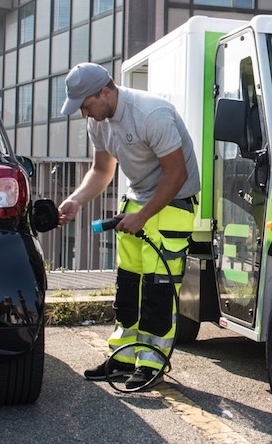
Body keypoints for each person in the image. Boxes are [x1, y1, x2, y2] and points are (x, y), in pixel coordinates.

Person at [58, 62, 200, 389]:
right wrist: (76, 200)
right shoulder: (99, 121)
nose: (83, 113)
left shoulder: (151, 114)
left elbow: (176, 175)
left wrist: (143, 216)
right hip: (137, 200)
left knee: (158, 289)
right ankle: (123, 357)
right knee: (129, 285)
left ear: (106, 92)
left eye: (86, 105)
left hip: (173, 202)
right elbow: (101, 170)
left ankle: (151, 363)